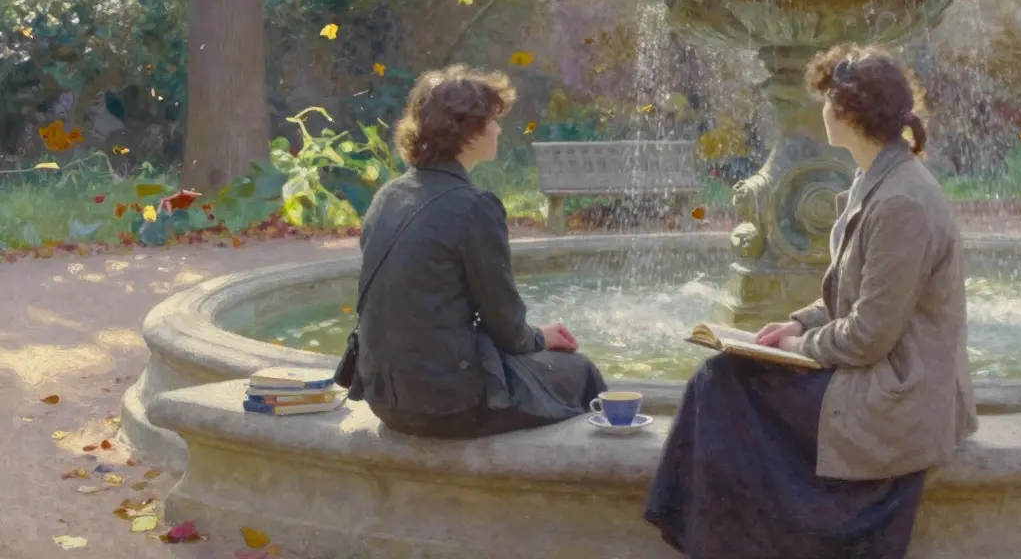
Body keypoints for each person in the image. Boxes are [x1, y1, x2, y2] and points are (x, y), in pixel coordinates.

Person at [644, 45, 978, 558]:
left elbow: (869, 336)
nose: (822, 109)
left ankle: (720, 546)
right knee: (725, 377)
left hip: (898, 390)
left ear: (846, 112)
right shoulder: (879, 180)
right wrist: (793, 324)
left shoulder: (902, 202)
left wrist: (802, 345)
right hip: (877, 372)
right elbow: (852, 299)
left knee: (722, 386)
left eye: (826, 99)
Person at [347, 65, 608, 438]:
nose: (499, 129)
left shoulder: (387, 197)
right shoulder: (474, 206)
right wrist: (540, 337)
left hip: (384, 400)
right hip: (447, 406)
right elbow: (506, 326)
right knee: (580, 373)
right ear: (466, 130)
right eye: (492, 120)